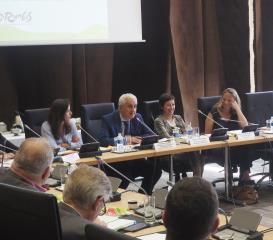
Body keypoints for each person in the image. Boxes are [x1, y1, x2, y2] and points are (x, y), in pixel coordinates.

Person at [100, 93, 162, 194]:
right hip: (117, 162)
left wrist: (140, 139)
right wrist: (126, 140)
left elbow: (150, 134)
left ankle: (143, 195)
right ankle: (116, 197)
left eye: (135, 106)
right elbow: (103, 141)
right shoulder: (108, 119)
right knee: (126, 173)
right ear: (120, 108)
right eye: (130, 106)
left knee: (155, 170)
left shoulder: (137, 117)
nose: (133, 110)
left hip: (134, 158)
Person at [205, 88, 255, 184]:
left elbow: (245, 126)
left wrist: (237, 109)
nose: (225, 102)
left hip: (235, 145)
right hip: (218, 147)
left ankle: (244, 175)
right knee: (237, 149)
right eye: (224, 99)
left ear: (235, 102)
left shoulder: (235, 113)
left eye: (229, 100)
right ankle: (236, 176)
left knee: (247, 145)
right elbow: (207, 134)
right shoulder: (213, 113)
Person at [154, 93, 204, 180]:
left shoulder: (178, 118)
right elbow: (168, 138)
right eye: (168, 105)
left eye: (173, 104)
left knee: (199, 154)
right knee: (195, 155)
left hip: (183, 150)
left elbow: (188, 134)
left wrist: (187, 133)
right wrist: (183, 136)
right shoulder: (159, 121)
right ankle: (197, 183)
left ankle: (196, 182)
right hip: (169, 153)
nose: (172, 107)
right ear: (162, 107)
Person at [59, 165, 112, 240]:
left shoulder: (46, 212)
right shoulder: (87, 234)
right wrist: (101, 232)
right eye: (103, 203)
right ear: (97, 203)